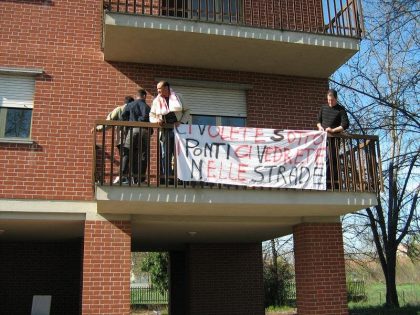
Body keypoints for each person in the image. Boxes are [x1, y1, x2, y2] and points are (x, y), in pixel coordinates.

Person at [149, 81, 191, 183]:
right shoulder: (156, 101)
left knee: (178, 154)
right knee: (166, 154)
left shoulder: (178, 97)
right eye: (157, 90)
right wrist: (157, 120)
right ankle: (168, 177)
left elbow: (187, 111)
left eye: (160, 89)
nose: (158, 92)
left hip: (178, 130)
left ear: (167, 88)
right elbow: (151, 115)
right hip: (165, 131)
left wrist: (181, 121)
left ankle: (179, 177)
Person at [94, 96, 134, 184]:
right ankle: (124, 177)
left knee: (125, 157)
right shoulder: (133, 110)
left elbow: (109, 122)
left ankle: (124, 177)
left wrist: (98, 128)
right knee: (127, 157)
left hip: (122, 139)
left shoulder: (119, 109)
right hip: (132, 139)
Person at [317, 89, 350, 188]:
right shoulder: (323, 108)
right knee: (323, 159)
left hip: (334, 140)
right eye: (328, 100)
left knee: (331, 159)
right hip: (323, 139)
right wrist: (320, 127)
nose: (330, 102)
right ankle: (322, 181)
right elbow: (318, 121)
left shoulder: (341, 109)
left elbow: (345, 125)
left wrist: (333, 130)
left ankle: (331, 184)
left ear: (336, 99)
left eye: (332, 100)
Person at [118, 88, 150, 184]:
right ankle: (141, 178)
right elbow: (149, 118)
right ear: (144, 96)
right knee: (143, 155)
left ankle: (123, 175)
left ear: (136, 96)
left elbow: (123, 116)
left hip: (132, 130)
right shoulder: (147, 107)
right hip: (144, 131)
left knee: (127, 152)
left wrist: (129, 124)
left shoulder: (130, 105)